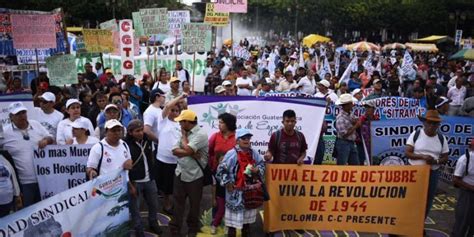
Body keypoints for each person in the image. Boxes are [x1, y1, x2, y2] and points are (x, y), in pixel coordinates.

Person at [0, 102, 53, 206]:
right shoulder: (5, 133)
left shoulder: (36, 124)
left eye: (23, 112)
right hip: (24, 184)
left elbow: (51, 137)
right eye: (18, 114)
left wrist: (46, 140)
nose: (22, 116)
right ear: (11, 116)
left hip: (44, 179)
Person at [215, 129, 266, 237]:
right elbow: (220, 170)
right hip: (235, 194)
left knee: (247, 225)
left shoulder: (254, 153)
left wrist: (257, 170)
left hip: (250, 194)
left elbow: (262, 164)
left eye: (248, 138)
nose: (247, 140)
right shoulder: (231, 154)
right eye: (244, 138)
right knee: (232, 226)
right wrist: (228, 183)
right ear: (238, 140)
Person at [405, 110, 449, 229]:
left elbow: (445, 157)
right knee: (412, 197)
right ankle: (407, 222)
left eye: (435, 124)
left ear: (438, 125)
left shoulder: (441, 138)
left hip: (432, 172)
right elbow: (408, 153)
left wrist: (436, 161)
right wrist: (422, 156)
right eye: (429, 123)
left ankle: (419, 224)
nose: (431, 126)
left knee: (428, 198)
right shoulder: (416, 134)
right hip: (415, 172)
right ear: (424, 123)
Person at [169, 109, 209, 237]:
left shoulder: (200, 134)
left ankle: (192, 229)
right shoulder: (184, 131)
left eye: (181, 122)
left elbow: (186, 148)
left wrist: (185, 141)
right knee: (177, 203)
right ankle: (175, 228)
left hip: (195, 176)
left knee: (194, 204)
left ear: (187, 122)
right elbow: (174, 150)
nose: (180, 124)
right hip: (180, 173)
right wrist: (189, 152)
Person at [125, 120, 162, 236]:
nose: (141, 133)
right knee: (135, 208)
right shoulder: (125, 145)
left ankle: (153, 223)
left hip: (150, 179)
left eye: (141, 130)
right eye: (137, 131)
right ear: (130, 132)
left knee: (154, 204)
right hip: (136, 181)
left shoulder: (147, 140)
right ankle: (139, 229)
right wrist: (131, 184)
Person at [155, 95, 185, 214]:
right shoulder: (162, 120)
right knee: (165, 185)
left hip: (177, 160)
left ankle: (175, 204)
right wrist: (181, 97)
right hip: (163, 159)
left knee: (176, 185)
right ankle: (166, 204)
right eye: (172, 110)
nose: (174, 112)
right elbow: (167, 106)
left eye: (177, 111)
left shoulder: (181, 124)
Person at [208, 113, 237, 234]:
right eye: (219, 122)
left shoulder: (236, 138)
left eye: (221, 122)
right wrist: (211, 168)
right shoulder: (215, 136)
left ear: (228, 124)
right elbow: (209, 152)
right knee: (218, 198)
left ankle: (228, 223)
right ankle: (215, 221)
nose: (219, 124)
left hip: (231, 175)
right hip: (217, 173)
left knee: (230, 198)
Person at [451, 139, 474, 237]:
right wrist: (471, 187)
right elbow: (456, 180)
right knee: (462, 219)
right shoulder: (465, 159)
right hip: (467, 192)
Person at [335, 94, 361, 165]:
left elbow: (354, 120)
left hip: (351, 142)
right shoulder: (340, 118)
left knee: (355, 164)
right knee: (342, 164)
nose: (352, 105)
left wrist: (356, 121)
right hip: (343, 143)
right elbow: (344, 134)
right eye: (350, 104)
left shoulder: (350, 114)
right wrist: (356, 126)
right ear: (346, 105)